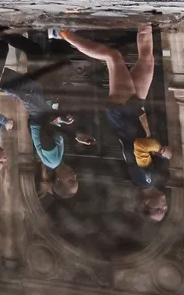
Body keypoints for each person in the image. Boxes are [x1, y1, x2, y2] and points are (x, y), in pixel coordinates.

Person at [61, 26, 170, 221]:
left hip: (124, 112)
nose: (164, 205)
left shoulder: (144, 179)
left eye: (158, 209)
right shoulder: (148, 179)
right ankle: (144, 23)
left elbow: (139, 146)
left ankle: (67, 35)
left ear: (146, 204)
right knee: (146, 59)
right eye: (164, 209)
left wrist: (162, 150)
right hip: (133, 112)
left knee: (113, 57)